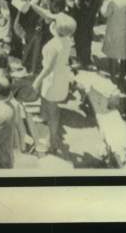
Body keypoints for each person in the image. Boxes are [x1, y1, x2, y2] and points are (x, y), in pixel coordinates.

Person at [32, 13, 76, 155]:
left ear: (54, 28)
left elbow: (48, 68)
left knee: (53, 111)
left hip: (52, 80)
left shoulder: (52, 46)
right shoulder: (67, 41)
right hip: (61, 77)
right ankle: (46, 122)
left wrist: (37, 80)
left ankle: (52, 141)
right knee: (50, 105)